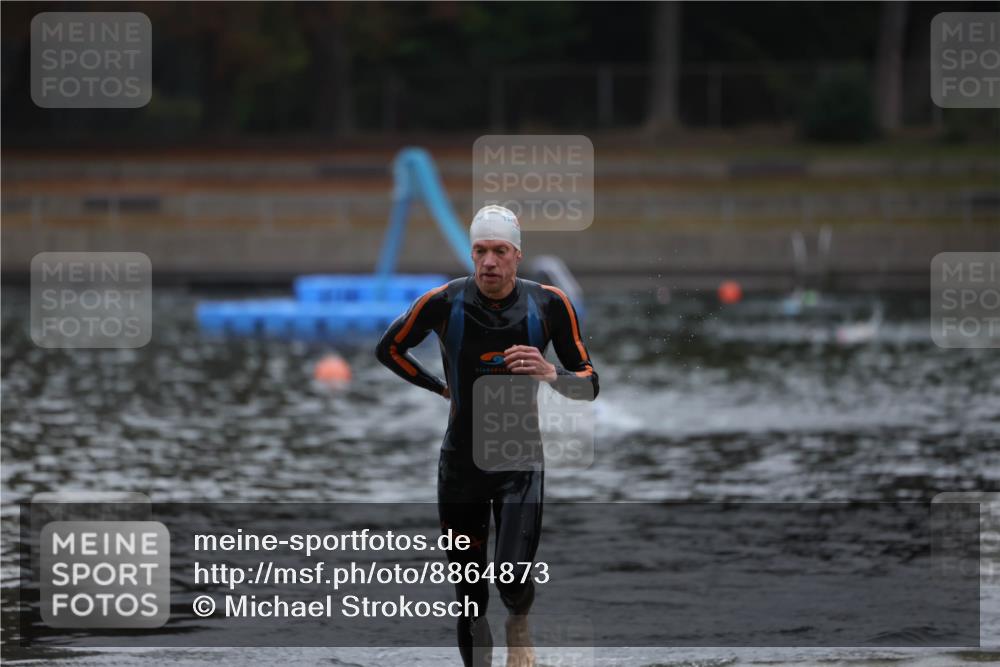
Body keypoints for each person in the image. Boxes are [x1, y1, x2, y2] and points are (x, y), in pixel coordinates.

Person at [375, 204, 598, 667]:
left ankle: (519, 625)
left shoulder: (549, 305)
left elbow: (590, 384)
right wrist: (439, 387)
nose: (489, 262)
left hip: (519, 465)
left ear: (517, 256)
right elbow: (389, 349)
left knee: (512, 580)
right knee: (470, 595)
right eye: (480, 251)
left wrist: (550, 372)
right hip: (460, 467)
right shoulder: (443, 302)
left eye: (499, 251)